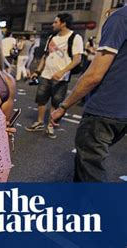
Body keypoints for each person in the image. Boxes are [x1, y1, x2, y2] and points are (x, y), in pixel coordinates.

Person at [51, 4, 127, 182]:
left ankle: (102, 209)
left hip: (105, 108)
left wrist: (64, 106)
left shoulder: (120, 18)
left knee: (91, 172)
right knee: (85, 167)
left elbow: (94, 75)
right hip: (122, 113)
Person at [25, 13, 83, 139]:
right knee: (41, 99)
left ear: (63, 23)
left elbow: (77, 59)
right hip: (46, 75)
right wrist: (37, 71)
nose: (53, 24)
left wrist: (62, 71)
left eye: (56, 22)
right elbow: (45, 56)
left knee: (56, 102)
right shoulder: (52, 37)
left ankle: (50, 125)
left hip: (61, 78)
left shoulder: (75, 37)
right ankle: (40, 122)